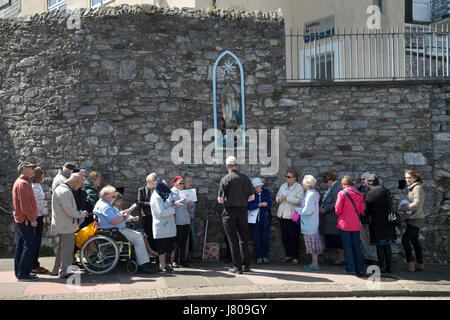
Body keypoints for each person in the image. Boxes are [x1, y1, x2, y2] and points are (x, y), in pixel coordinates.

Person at [93, 185, 156, 274]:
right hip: (113, 230)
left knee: (138, 235)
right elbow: (114, 221)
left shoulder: (103, 203)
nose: (114, 198)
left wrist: (122, 213)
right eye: (113, 196)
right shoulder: (105, 207)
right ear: (107, 196)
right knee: (138, 237)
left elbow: (113, 217)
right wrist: (124, 217)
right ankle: (143, 264)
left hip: (113, 229)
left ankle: (143, 261)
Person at [218, 156, 256, 274]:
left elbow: (220, 200)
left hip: (230, 212)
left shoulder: (225, 179)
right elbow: (252, 197)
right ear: (237, 165)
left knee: (233, 240)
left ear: (227, 166)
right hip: (243, 211)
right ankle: (247, 265)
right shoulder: (245, 178)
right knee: (244, 239)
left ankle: (237, 267)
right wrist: (242, 201)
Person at [51, 173, 88, 278]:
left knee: (62, 248)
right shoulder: (65, 191)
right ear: (75, 181)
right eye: (80, 183)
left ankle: (56, 269)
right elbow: (70, 211)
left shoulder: (61, 189)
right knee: (67, 249)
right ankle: (64, 272)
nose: (80, 186)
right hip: (66, 225)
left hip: (62, 224)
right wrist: (82, 214)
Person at [364, 174, 396, 273]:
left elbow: (366, 211)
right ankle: (389, 267)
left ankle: (381, 267)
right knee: (387, 246)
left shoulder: (370, 194)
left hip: (377, 223)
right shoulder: (386, 191)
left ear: (369, 183)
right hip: (389, 222)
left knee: (380, 246)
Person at [13, 162, 39, 282]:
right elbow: (26, 205)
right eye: (31, 168)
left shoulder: (21, 182)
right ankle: (23, 273)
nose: (33, 169)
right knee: (29, 245)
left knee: (21, 245)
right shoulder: (23, 184)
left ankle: (20, 271)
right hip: (26, 220)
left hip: (22, 219)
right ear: (24, 169)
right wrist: (32, 219)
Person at [335, 176, 366, 275]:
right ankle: (360, 268)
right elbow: (362, 210)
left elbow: (337, 210)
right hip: (356, 224)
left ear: (343, 184)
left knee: (347, 246)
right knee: (356, 246)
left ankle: (351, 268)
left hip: (345, 224)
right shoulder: (360, 194)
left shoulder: (342, 193)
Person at [112, 192, 157, 258]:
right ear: (115, 201)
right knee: (140, 233)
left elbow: (125, 215)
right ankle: (149, 251)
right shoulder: (114, 209)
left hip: (123, 226)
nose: (121, 203)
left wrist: (133, 217)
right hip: (119, 229)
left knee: (140, 229)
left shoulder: (117, 208)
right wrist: (131, 218)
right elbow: (121, 217)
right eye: (119, 201)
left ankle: (148, 251)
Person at [399, 169, 425, 272]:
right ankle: (420, 264)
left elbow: (418, 204)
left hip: (416, 218)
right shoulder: (411, 188)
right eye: (406, 178)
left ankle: (411, 264)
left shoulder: (417, 188)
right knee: (414, 241)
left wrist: (404, 208)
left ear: (415, 178)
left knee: (405, 240)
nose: (408, 179)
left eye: (410, 177)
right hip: (413, 218)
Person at [276, 169, 304, 264]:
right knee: (284, 237)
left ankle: (296, 256)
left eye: (289, 177)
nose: (287, 178)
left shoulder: (299, 187)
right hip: (282, 214)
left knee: (294, 237)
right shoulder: (283, 186)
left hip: (292, 216)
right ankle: (288, 255)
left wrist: (286, 198)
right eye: (286, 176)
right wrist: (278, 200)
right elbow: (277, 196)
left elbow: (299, 201)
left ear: (294, 178)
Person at [296, 175, 323, 271]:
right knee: (313, 242)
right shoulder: (313, 194)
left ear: (307, 184)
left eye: (303, 182)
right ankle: (314, 263)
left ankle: (315, 263)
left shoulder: (310, 195)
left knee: (312, 243)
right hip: (312, 222)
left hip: (309, 223)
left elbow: (307, 210)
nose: (302, 184)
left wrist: (297, 210)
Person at [150, 178, 177, 273]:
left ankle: (164, 264)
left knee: (166, 246)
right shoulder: (156, 197)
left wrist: (172, 205)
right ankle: (162, 265)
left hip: (166, 225)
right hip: (161, 225)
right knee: (161, 247)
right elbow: (161, 213)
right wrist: (173, 209)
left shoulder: (162, 195)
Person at [319, 172, 344, 265]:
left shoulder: (337, 187)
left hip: (334, 217)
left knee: (338, 239)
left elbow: (336, 203)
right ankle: (338, 257)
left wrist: (325, 209)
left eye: (326, 181)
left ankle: (341, 258)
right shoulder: (332, 187)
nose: (325, 183)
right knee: (335, 239)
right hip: (330, 218)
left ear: (330, 179)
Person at [247, 177, 272, 264]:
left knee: (265, 238)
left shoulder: (266, 193)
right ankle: (259, 256)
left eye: (258, 186)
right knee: (256, 238)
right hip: (254, 221)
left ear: (261, 185)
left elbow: (269, 205)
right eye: (255, 187)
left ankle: (265, 255)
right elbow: (249, 206)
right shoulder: (251, 194)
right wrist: (259, 204)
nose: (257, 188)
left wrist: (260, 205)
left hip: (265, 220)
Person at [170, 176, 193, 268]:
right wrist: (180, 201)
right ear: (175, 183)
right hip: (177, 219)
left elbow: (187, 207)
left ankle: (182, 260)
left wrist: (190, 205)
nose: (182, 185)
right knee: (176, 241)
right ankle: (173, 260)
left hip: (185, 219)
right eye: (180, 183)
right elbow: (171, 205)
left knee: (184, 241)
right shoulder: (172, 192)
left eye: (183, 183)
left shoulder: (185, 192)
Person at [31, 166, 50, 274]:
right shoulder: (36, 187)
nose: (43, 174)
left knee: (36, 241)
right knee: (36, 242)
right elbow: (38, 205)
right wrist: (45, 212)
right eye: (42, 173)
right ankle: (34, 265)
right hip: (37, 216)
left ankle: (34, 264)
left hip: (38, 215)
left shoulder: (36, 186)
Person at [358, 172, 378, 265]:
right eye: (361, 179)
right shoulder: (358, 190)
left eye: (364, 179)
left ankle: (374, 257)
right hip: (361, 218)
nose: (362, 181)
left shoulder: (373, 190)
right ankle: (367, 256)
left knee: (371, 238)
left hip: (370, 218)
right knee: (363, 238)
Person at [137, 173, 158, 254]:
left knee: (155, 235)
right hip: (147, 216)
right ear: (148, 182)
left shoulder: (157, 190)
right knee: (148, 235)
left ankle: (156, 254)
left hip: (156, 216)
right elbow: (140, 203)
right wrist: (151, 204)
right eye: (153, 182)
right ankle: (149, 254)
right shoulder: (142, 190)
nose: (155, 183)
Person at [184, 176, 196, 262]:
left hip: (190, 219)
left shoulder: (192, 192)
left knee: (190, 237)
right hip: (183, 218)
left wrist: (192, 212)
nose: (190, 183)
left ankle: (188, 255)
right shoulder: (181, 192)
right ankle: (183, 256)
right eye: (188, 181)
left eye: (191, 181)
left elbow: (193, 205)